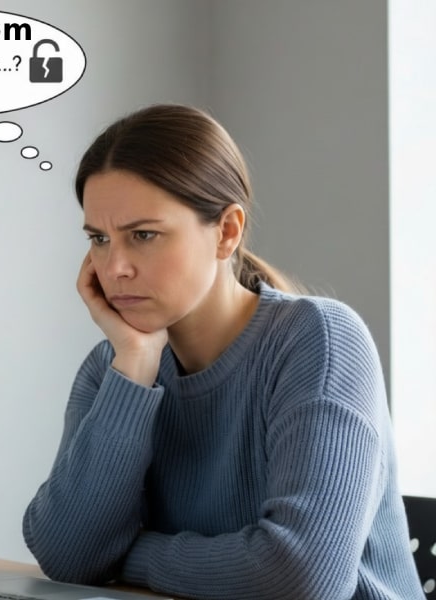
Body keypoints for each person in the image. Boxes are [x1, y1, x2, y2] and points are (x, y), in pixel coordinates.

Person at [22, 104, 423, 600]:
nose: (116, 266)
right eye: (99, 239)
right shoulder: (113, 367)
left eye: (143, 235)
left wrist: (128, 554)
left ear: (227, 231)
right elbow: (67, 557)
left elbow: (300, 577)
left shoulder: (318, 340)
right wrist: (135, 367)